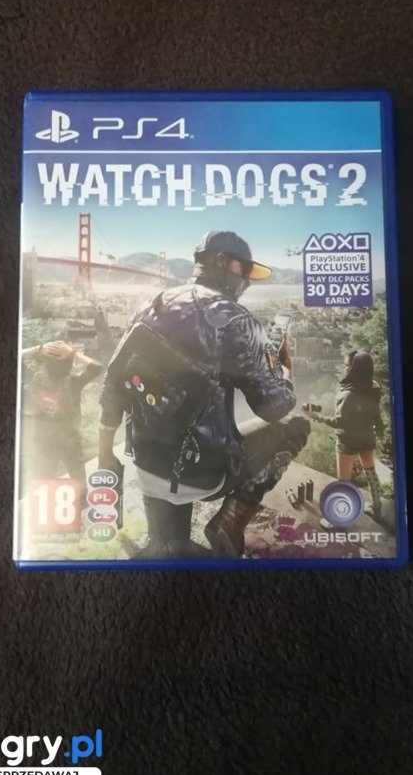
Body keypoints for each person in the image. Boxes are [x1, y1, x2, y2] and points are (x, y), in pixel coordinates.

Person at [97, 230, 310, 559]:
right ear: (221, 260)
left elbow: (113, 383)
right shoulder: (238, 320)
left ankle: (169, 542)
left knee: (169, 549)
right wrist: (284, 371)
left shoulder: (148, 306)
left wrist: (104, 454)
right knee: (296, 427)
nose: (247, 281)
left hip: (147, 463)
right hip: (204, 473)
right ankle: (231, 519)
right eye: (244, 269)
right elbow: (274, 407)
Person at [304, 350, 384, 516]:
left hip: (347, 441)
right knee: (370, 472)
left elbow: (337, 422)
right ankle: (377, 508)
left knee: (344, 482)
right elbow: (376, 413)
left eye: (347, 365)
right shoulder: (375, 387)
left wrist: (315, 416)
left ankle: (341, 518)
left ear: (356, 368)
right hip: (367, 437)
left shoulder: (347, 395)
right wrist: (380, 431)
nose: (345, 368)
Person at [21, 337, 102, 482]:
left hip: (45, 441)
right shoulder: (73, 381)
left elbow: (17, 358)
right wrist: (74, 353)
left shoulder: (36, 379)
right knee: (79, 483)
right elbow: (96, 367)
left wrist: (39, 348)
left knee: (44, 483)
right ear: (68, 363)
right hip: (69, 441)